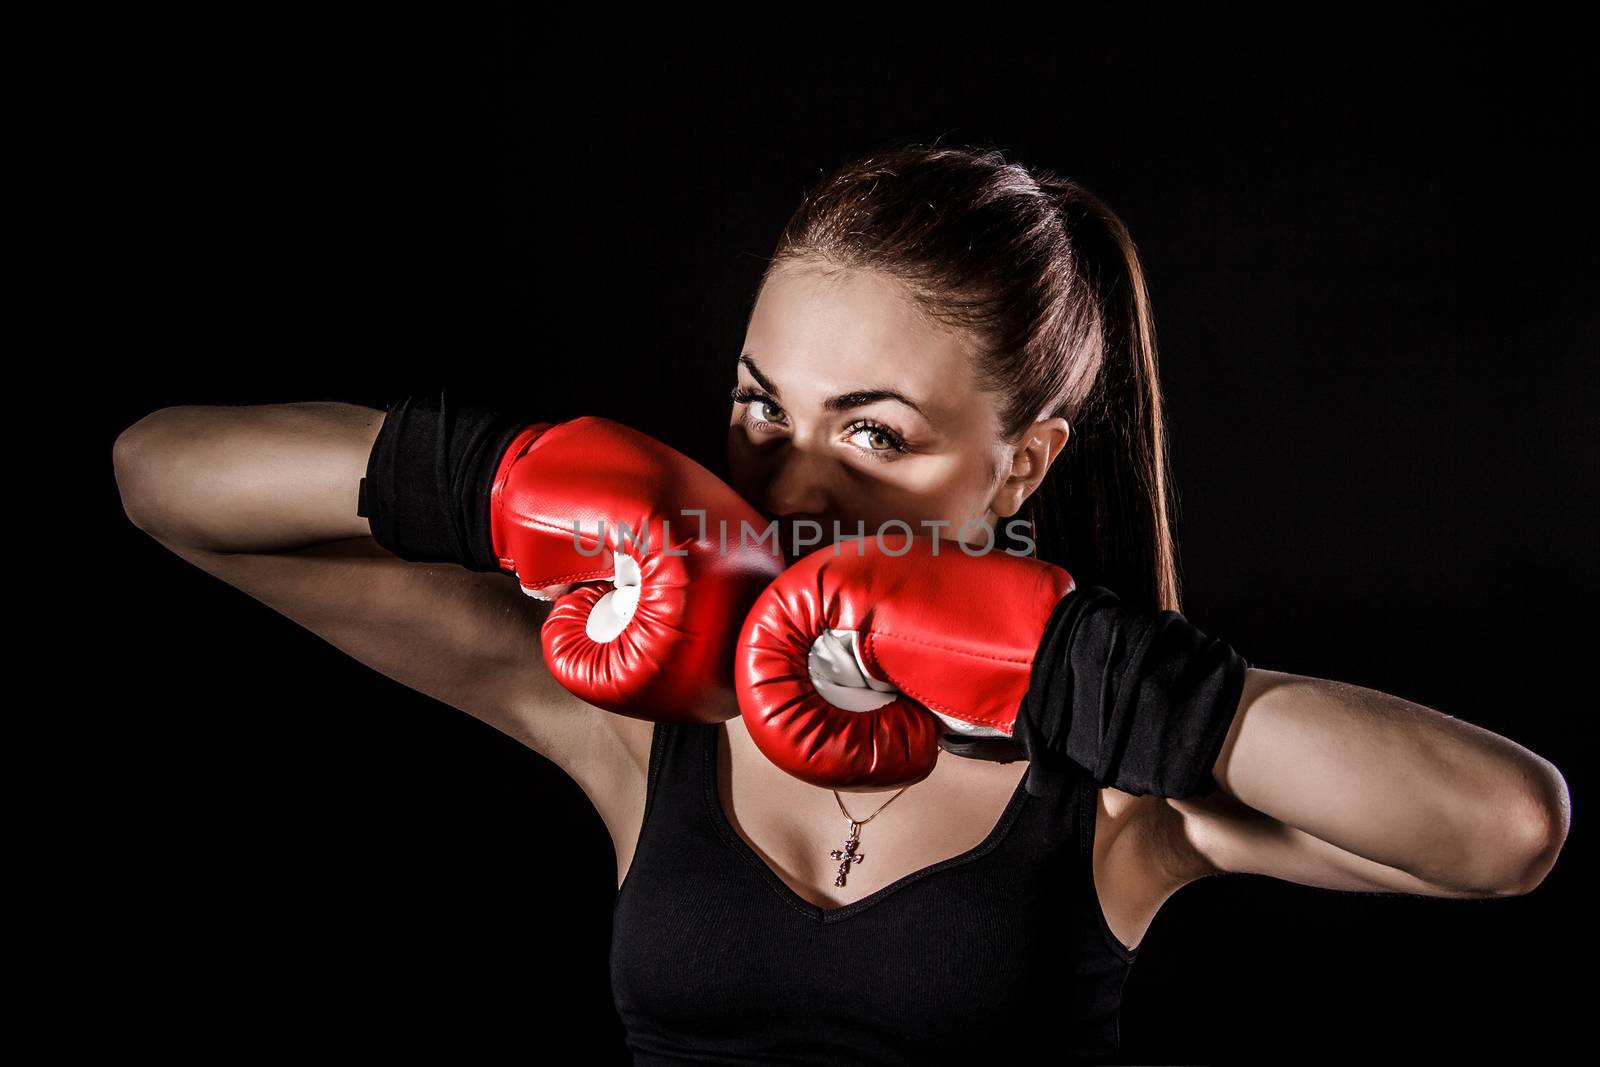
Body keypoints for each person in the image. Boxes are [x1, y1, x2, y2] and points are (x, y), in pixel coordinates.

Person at [111, 142, 1570, 1064]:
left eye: (874, 432)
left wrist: (1069, 672)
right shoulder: (642, 711)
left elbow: (1503, 828)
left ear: (1023, 464)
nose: (788, 484)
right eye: (760, 410)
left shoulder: (1106, 797)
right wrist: (494, 477)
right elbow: (161, 478)